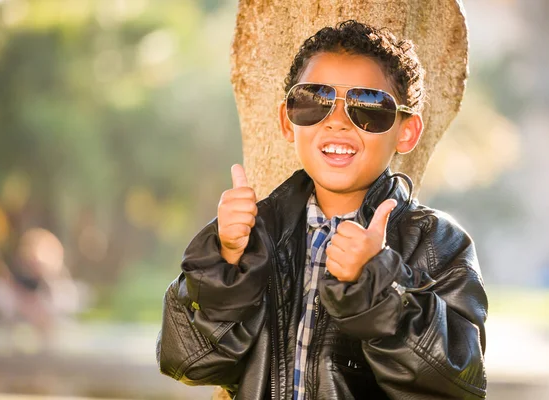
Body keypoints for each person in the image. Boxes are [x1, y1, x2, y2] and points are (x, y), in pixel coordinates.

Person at [157, 20, 488, 400]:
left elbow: (459, 381)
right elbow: (187, 362)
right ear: (287, 120)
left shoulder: (436, 243)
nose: (337, 122)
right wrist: (227, 264)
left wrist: (376, 283)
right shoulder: (257, 234)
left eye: (368, 107)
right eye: (314, 100)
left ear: (407, 131)